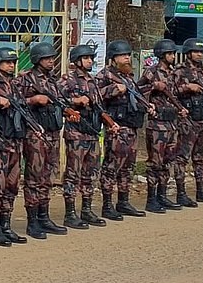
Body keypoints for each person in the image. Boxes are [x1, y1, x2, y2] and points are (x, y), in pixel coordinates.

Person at [59, 43, 117, 228]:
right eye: (86, 58)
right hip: (76, 133)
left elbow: (99, 107)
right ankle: (70, 213)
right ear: (77, 61)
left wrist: (110, 123)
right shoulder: (67, 79)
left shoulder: (93, 81)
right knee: (72, 174)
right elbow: (57, 101)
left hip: (92, 132)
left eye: (91, 58)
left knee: (90, 174)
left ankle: (86, 209)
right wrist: (75, 101)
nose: (90, 61)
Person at [16, 41, 68, 239]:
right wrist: (33, 100)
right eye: (46, 58)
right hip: (35, 134)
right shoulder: (26, 79)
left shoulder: (53, 81)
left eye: (52, 58)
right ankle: (32, 221)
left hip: (52, 133)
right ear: (37, 59)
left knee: (48, 176)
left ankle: (44, 216)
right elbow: (16, 102)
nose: (50, 61)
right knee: (34, 177)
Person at [0, 47, 30, 245]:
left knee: (11, 185)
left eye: (13, 62)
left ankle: (6, 225)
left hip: (15, 141)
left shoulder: (15, 85)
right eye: (7, 62)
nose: (11, 65)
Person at [96, 40, 149, 220]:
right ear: (113, 58)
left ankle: (123, 201)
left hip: (131, 126)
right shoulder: (104, 75)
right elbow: (95, 96)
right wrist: (113, 89)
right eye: (122, 55)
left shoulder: (128, 77)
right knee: (111, 166)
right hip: (116, 128)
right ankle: (107, 204)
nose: (127, 58)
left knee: (128, 167)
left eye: (128, 55)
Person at [138, 39, 188, 213]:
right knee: (155, 163)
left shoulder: (174, 73)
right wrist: (153, 86)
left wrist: (180, 109)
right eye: (169, 53)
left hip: (172, 124)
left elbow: (177, 94)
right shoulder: (151, 72)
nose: (172, 56)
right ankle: (151, 199)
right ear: (161, 55)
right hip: (157, 125)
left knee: (168, 161)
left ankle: (162, 194)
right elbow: (138, 92)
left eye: (173, 53)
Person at [173, 39, 203, 205]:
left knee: (200, 157)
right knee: (182, 158)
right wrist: (188, 87)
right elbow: (172, 92)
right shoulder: (180, 70)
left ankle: (201, 190)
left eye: (201, 52)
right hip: (188, 120)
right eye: (196, 52)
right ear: (188, 53)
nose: (199, 55)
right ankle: (181, 192)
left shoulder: (202, 72)